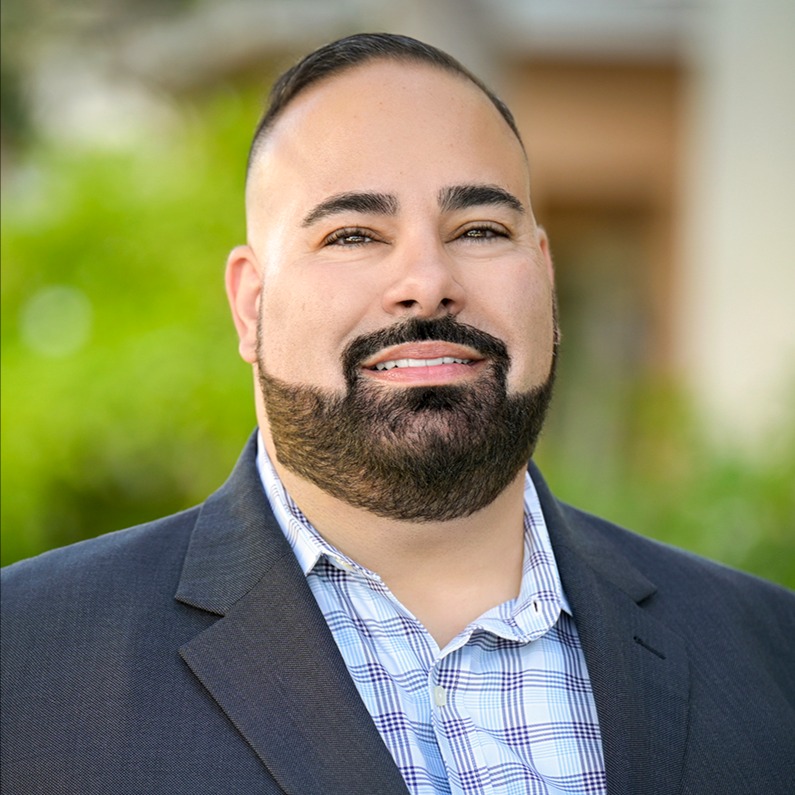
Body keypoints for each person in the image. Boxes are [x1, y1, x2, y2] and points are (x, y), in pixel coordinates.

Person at [2, 32, 793, 795]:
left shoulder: (769, 653)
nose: (426, 279)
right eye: (352, 234)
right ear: (250, 305)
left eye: (480, 229)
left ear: (543, 278)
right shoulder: (26, 665)